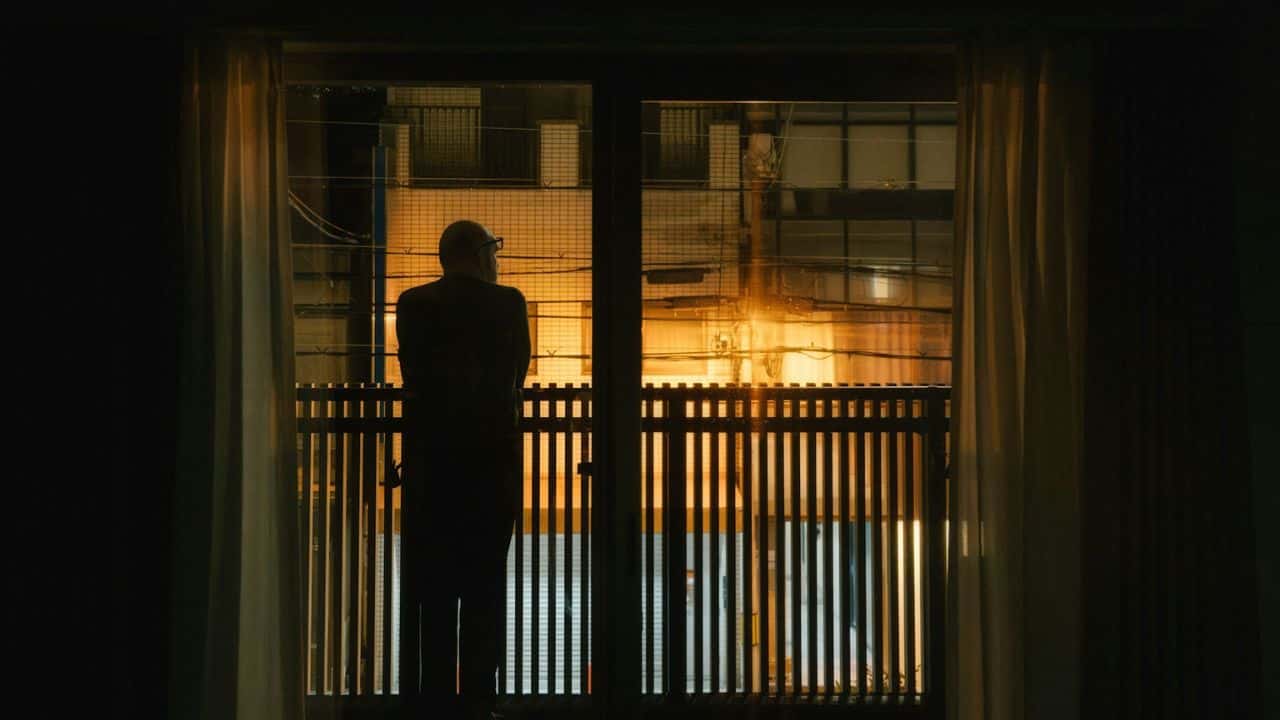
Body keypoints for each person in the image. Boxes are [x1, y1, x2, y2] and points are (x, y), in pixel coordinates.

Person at [396, 220, 530, 720]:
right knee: (483, 592)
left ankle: (433, 701)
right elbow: (517, 372)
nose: (498, 261)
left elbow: (412, 372)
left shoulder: (412, 305)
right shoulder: (509, 304)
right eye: (494, 250)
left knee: (433, 594)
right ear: (478, 254)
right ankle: (478, 700)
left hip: (432, 473)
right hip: (490, 471)